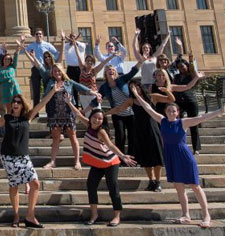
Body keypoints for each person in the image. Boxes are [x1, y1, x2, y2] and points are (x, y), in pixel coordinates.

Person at [131, 87, 225, 228]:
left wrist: (219, 112)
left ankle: (206, 215)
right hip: (170, 156)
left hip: (184, 155)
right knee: (179, 188)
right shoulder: (162, 121)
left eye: (174, 111)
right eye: (169, 111)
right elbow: (148, 108)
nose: (171, 112)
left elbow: (202, 118)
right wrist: (137, 94)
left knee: (195, 186)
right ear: (165, 112)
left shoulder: (183, 122)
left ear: (178, 113)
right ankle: (186, 215)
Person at [0, 85, 62, 228]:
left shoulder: (27, 117)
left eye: (18, 102)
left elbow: (41, 103)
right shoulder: (7, 118)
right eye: (14, 102)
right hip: (8, 156)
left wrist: (53, 91)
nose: (15, 103)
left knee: (35, 184)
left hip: (23, 156)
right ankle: (16, 216)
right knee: (14, 185)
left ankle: (30, 216)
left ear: (22, 105)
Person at [64, 94, 137, 227]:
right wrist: (69, 103)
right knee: (91, 185)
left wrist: (123, 156)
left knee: (113, 188)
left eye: (100, 119)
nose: (97, 120)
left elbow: (110, 145)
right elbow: (78, 114)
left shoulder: (101, 132)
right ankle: (94, 214)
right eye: (95, 118)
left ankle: (116, 216)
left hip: (110, 162)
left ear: (103, 121)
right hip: (97, 162)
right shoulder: (89, 125)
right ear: (91, 118)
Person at [31, 46, 100, 170]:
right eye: (55, 71)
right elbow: (45, 98)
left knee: (73, 137)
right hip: (55, 113)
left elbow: (81, 87)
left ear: (62, 72)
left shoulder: (69, 82)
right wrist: (53, 90)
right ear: (52, 73)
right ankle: (52, 161)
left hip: (68, 113)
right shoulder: (51, 84)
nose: (57, 73)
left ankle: (77, 161)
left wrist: (93, 92)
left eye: (59, 71)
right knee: (56, 138)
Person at [106, 79, 165, 192]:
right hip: (140, 130)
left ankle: (158, 182)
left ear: (140, 87)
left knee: (157, 157)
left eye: (136, 87)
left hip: (152, 128)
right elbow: (118, 109)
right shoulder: (131, 101)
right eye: (132, 88)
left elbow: (170, 99)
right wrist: (105, 114)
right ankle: (151, 181)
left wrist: (168, 91)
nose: (134, 89)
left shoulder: (152, 97)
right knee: (146, 158)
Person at [97, 63, 140, 156]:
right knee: (120, 135)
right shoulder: (104, 87)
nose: (111, 71)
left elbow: (132, 72)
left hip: (131, 112)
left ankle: (132, 157)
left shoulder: (121, 79)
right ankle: (121, 157)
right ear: (105, 73)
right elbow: (97, 97)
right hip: (117, 114)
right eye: (108, 70)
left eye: (113, 70)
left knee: (132, 135)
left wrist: (140, 61)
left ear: (116, 72)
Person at [172, 38, 202, 153]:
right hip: (180, 102)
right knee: (177, 123)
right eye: (179, 67)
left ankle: (196, 148)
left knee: (194, 125)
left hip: (191, 102)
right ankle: (179, 144)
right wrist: (180, 48)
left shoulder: (192, 76)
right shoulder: (177, 77)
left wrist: (189, 60)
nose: (181, 68)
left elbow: (193, 71)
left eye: (183, 67)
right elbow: (177, 61)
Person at [22, 29, 60, 107]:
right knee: (36, 90)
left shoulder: (48, 45)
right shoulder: (31, 45)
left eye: (40, 34)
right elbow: (23, 51)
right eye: (37, 34)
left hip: (45, 69)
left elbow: (56, 53)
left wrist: (53, 63)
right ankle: (36, 111)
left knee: (48, 88)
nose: (38, 35)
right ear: (34, 36)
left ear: (42, 35)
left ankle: (49, 108)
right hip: (36, 68)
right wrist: (22, 42)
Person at [73, 42, 115, 111]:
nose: (89, 62)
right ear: (85, 61)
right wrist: (75, 46)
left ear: (93, 62)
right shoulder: (82, 69)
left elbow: (103, 62)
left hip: (93, 95)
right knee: (87, 114)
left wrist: (112, 56)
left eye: (91, 61)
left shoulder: (94, 71)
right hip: (83, 95)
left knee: (97, 111)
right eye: (88, 60)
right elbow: (78, 56)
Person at [0, 42, 22, 114]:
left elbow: (16, 56)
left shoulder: (12, 67)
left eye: (9, 59)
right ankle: (10, 121)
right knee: (8, 107)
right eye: (5, 59)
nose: (7, 60)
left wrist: (18, 47)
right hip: (4, 88)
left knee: (17, 104)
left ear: (11, 61)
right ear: (3, 60)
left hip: (13, 87)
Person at [62, 31, 86, 104]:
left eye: (74, 36)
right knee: (72, 88)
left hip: (80, 69)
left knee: (81, 88)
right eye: (71, 36)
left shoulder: (82, 44)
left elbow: (82, 47)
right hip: (70, 69)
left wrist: (75, 42)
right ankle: (74, 106)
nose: (72, 38)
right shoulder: (66, 45)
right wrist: (71, 42)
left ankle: (83, 106)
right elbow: (67, 48)